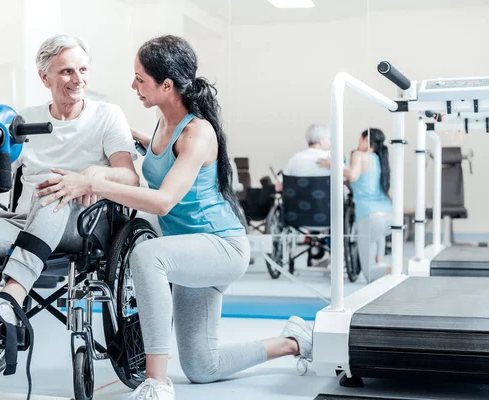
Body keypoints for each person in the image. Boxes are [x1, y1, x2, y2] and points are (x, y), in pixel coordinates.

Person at [35, 35, 313, 400]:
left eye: (140, 79)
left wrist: (91, 183)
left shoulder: (197, 132)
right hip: (189, 254)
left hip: (221, 248)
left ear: (166, 85)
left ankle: (157, 382)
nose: (133, 86)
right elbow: (156, 155)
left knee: (148, 255)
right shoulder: (162, 121)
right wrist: (118, 137)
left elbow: (163, 201)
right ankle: (294, 341)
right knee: (202, 367)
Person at [0, 33, 139, 329]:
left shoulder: (107, 115)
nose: (78, 79)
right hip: (24, 223)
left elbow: (129, 177)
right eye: (66, 71)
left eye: (83, 70)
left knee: (51, 188)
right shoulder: (26, 119)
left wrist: (91, 176)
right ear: (44, 77)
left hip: (83, 226)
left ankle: (9, 299)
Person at [318, 128, 392, 283]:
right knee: (375, 243)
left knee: (368, 273)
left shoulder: (359, 155)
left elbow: (353, 175)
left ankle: (396, 269)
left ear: (366, 140)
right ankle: (385, 264)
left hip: (368, 214)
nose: (358, 143)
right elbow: (359, 183)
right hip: (387, 215)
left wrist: (333, 164)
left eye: (360, 139)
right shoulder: (379, 158)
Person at [274, 124, 331, 192]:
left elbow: (278, 187)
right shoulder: (332, 158)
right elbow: (346, 180)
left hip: (299, 202)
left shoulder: (295, 158)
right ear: (321, 140)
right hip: (328, 202)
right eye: (329, 138)